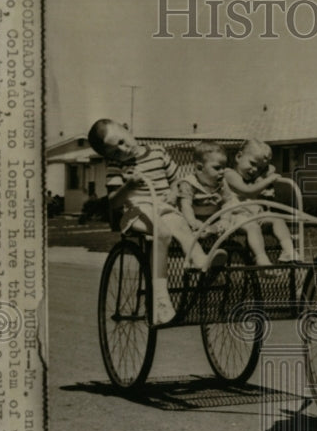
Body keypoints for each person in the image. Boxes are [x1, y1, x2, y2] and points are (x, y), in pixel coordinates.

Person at [87, 119, 224, 325]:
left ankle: (201, 262)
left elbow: (177, 180)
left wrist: (172, 191)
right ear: (109, 157)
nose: (123, 150)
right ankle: (160, 300)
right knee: (163, 233)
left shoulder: (158, 152)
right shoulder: (116, 167)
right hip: (136, 211)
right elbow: (114, 202)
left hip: (163, 206)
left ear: (127, 129)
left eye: (123, 142)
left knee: (179, 224)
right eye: (115, 152)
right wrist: (129, 186)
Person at [223, 138, 299, 266]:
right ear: (239, 156)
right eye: (252, 163)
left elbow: (271, 168)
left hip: (254, 216)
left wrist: (264, 172)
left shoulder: (254, 178)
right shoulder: (229, 174)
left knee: (277, 219)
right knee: (253, 227)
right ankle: (261, 259)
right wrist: (268, 180)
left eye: (259, 168)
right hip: (236, 217)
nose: (254, 170)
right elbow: (248, 191)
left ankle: (289, 251)